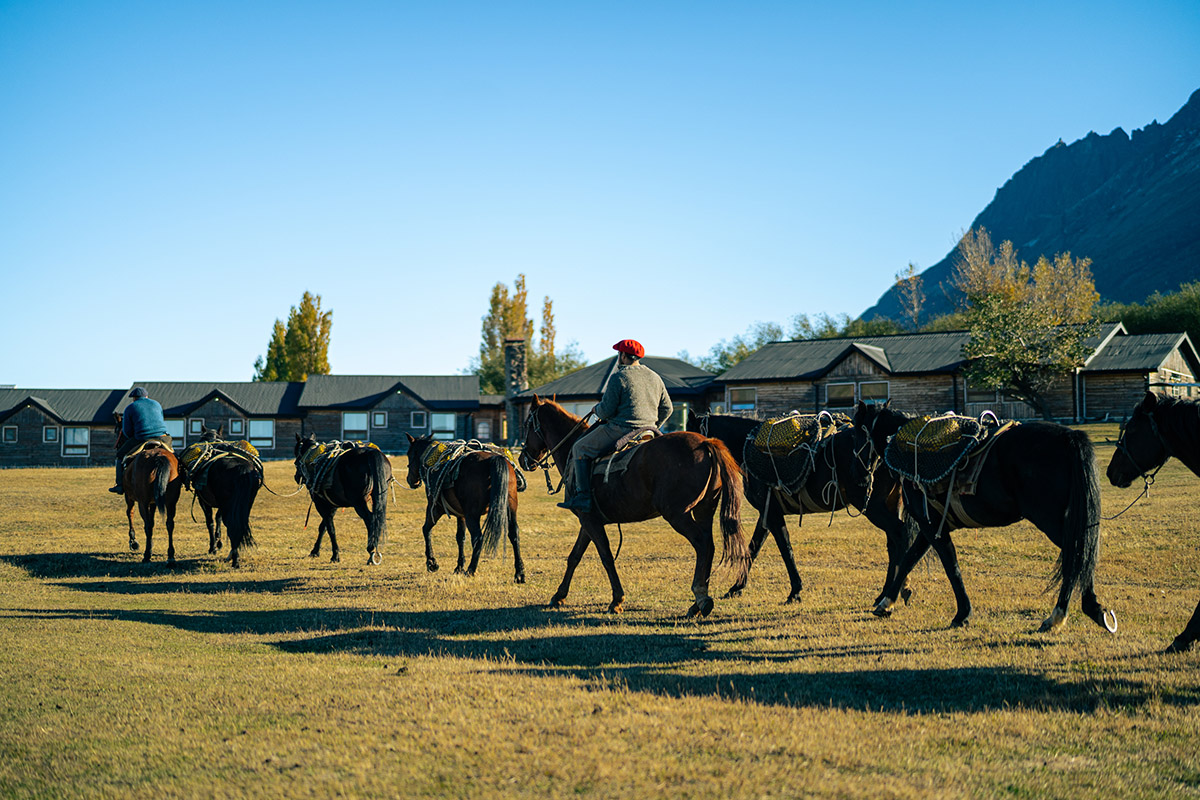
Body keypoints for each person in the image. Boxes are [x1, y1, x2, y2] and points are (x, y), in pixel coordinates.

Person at [557, 339, 673, 513]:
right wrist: (653, 424)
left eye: (619, 353)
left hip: (622, 429)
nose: (619, 357)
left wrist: (597, 409)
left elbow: (606, 412)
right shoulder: (655, 377)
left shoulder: (619, 377)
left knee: (580, 448)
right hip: (649, 431)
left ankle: (583, 497)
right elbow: (667, 408)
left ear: (624, 355)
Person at [109, 387, 172, 493]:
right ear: (146, 396)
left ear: (134, 398)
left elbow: (127, 431)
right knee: (174, 456)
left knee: (120, 455)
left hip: (142, 438)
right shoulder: (157, 404)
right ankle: (183, 478)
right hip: (163, 438)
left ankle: (119, 485)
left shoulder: (130, 407)